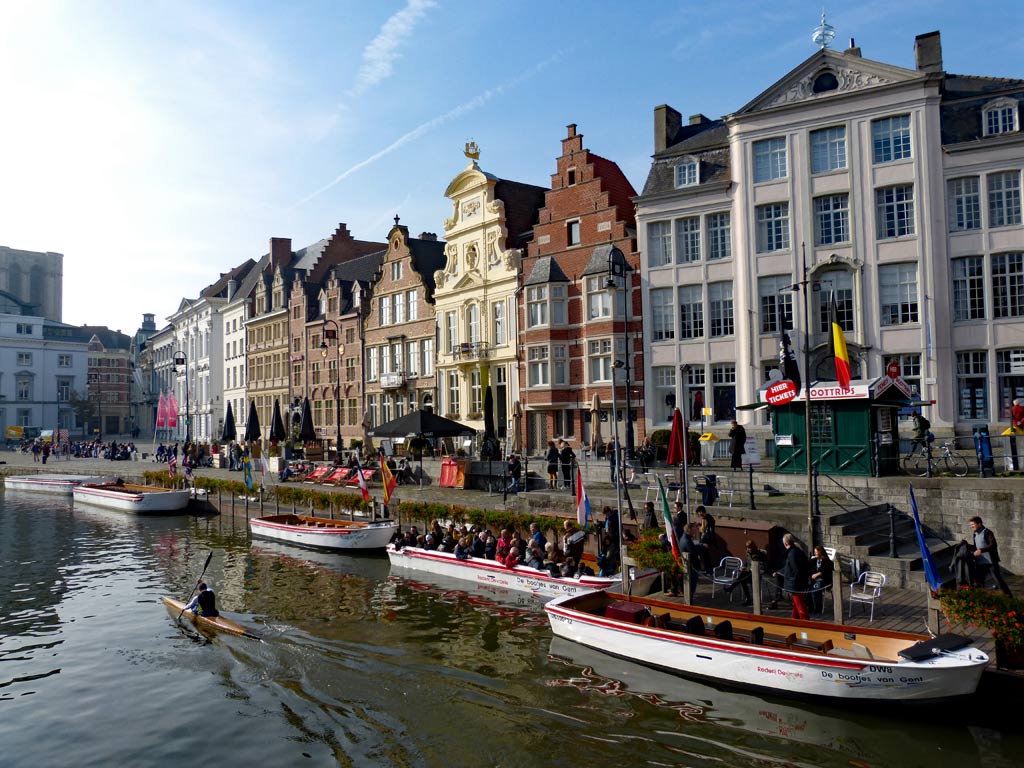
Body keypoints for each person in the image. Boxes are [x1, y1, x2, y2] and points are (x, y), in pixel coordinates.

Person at [969, 516, 1012, 596]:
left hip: (991, 562)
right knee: (978, 581)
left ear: (979, 524)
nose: (971, 526)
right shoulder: (975, 534)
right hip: (980, 562)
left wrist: (981, 550)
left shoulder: (987, 532)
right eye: (971, 525)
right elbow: (976, 546)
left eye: (973, 524)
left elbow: (993, 545)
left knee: (998, 580)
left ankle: (1009, 597)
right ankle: (979, 597)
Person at [774, 533, 810, 620]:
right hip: (798, 582)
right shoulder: (797, 551)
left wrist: (796, 582)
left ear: (785, 543)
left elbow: (795, 569)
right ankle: (794, 620)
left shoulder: (792, 554)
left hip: (796, 584)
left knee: (800, 605)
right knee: (796, 604)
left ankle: (805, 623)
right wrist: (779, 572)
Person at [725, 540, 768, 606]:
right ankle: (748, 599)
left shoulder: (759, 554)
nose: (748, 549)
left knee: (742, 577)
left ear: (753, 547)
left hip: (756, 574)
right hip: (748, 573)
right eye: (747, 548)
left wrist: (756, 569)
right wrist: (743, 567)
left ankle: (731, 588)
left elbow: (763, 565)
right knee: (742, 578)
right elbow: (746, 563)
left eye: (749, 548)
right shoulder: (748, 553)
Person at [808, 545, 835, 615]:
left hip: (824, 580)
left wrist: (819, 574)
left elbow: (827, 572)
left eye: (816, 552)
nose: (814, 554)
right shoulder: (814, 560)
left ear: (820, 552)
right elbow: (807, 567)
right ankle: (810, 607)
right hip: (814, 580)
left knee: (815, 590)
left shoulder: (827, 562)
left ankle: (818, 609)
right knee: (808, 590)